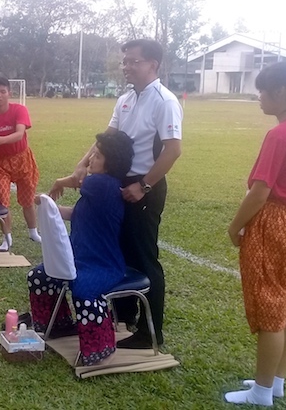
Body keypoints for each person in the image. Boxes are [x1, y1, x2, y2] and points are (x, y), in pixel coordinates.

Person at [51, 39, 182, 350]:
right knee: (118, 251)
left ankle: (151, 333)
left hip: (144, 187)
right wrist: (82, 165)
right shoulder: (125, 99)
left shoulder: (165, 101)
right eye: (125, 61)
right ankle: (124, 319)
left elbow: (173, 150)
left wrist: (143, 185)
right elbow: (106, 139)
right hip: (119, 184)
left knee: (143, 256)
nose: (126, 66)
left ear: (153, 65)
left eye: (133, 61)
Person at [224, 60, 286, 406]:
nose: (260, 98)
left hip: (273, 224)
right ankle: (275, 381)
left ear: (282, 93)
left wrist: (235, 225)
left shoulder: (280, 134)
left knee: (270, 308)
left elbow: (260, 192)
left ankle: (261, 391)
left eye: (263, 91)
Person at [28, 131, 134, 366]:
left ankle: (100, 345)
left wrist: (62, 180)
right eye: (92, 155)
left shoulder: (101, 183)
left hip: (103, 264)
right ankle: (58, 325)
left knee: (84, 291)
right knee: (39, 276)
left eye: (96, 156)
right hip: (80, 257)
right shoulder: (100, 187)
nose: (90, 160)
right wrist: (50, 206)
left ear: (111, 161)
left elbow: (77, 179)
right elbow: (77, 214)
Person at [0, 77, 41, 251]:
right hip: (1, 162)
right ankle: (7, 239)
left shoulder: (19, 109)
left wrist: (1, 140)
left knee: (28, 199)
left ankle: (33, 232)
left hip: (22, 158)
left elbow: (19, 133)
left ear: (9, 93)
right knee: (3, 201)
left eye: (3, 91)